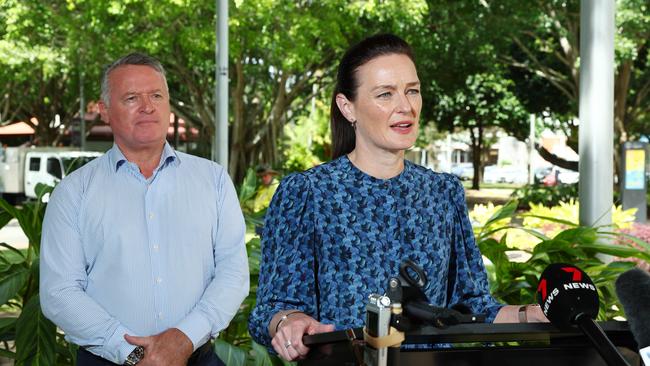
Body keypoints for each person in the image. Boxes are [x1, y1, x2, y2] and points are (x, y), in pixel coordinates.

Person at [248, 34, 547, 362]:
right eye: (385, 94)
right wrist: (290, 322)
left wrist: (530, 314)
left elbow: (474, 307)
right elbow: (270, 311)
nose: (405, 106)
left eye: (412, 90)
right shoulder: (307, 193)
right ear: (348, 107)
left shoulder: (443, 193)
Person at [40, 53, 249, 366]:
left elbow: (233, 274)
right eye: (131, 98)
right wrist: (135, 355)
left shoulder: (214, 180)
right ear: (104, 111)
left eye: (156, 95)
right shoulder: (74, 192)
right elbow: (60, 292)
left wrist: (184, 338)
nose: (147, 107)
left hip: (199, 358)